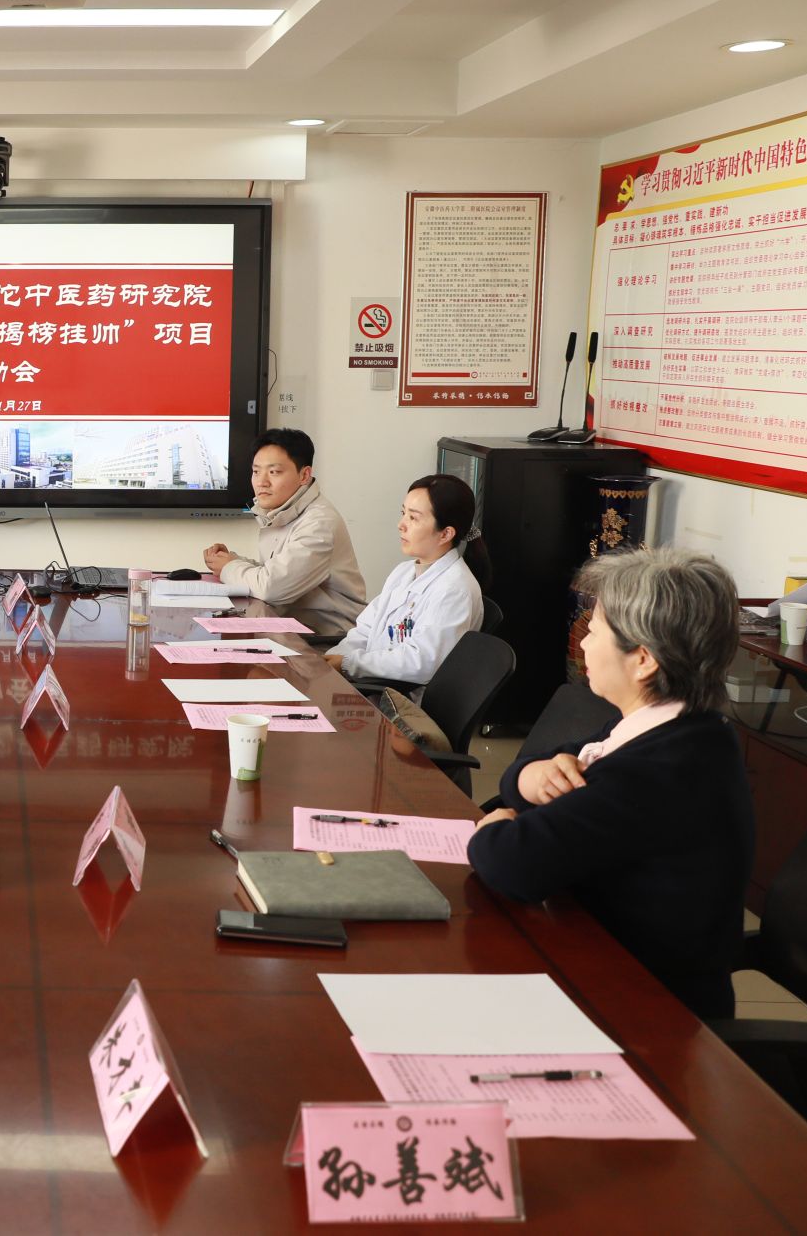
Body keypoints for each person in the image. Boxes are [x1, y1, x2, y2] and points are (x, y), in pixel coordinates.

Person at [467, 546, 751, 1018]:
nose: (582, 644)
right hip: (600, 959)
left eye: (594, 631)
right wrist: (530, 777)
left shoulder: (659, 771)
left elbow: (512, 863)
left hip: (643, 1010)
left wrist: (493, 826)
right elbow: (545, 766)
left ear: (643, 660)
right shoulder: (685, 728)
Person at [325, 473, 488, 686]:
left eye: (413, 518)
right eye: (403, 513)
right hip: (368, 682)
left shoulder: (455, 590)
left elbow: (421, 663)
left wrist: (348, 663)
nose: (401, 525)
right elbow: (365, 630)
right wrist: (332, 659)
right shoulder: (403, 572)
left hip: (400, 697)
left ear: (445, 534)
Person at [201, 428, 366, 634]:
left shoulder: (319, 523)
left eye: (274, 472)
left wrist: (229, 567)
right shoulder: (284, 511)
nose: (262, 482)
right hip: (290, 629)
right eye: (256, 471)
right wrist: (232, 559)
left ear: (304, 475)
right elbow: (274, 572)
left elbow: (271, 588)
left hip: (326, 640)